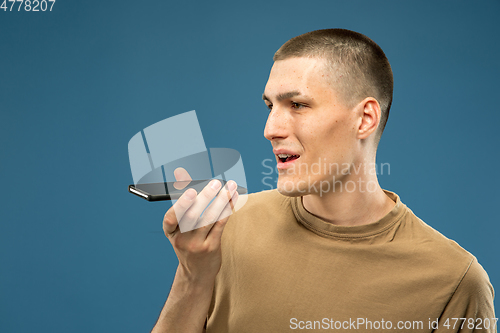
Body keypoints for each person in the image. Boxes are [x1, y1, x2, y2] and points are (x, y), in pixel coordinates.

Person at [151, 29, 496, 333]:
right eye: (270, 106)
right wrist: (192, 276)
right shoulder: (223, 229)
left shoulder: (455, 282)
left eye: (297, 105)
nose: (270, 129)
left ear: (365, 119)